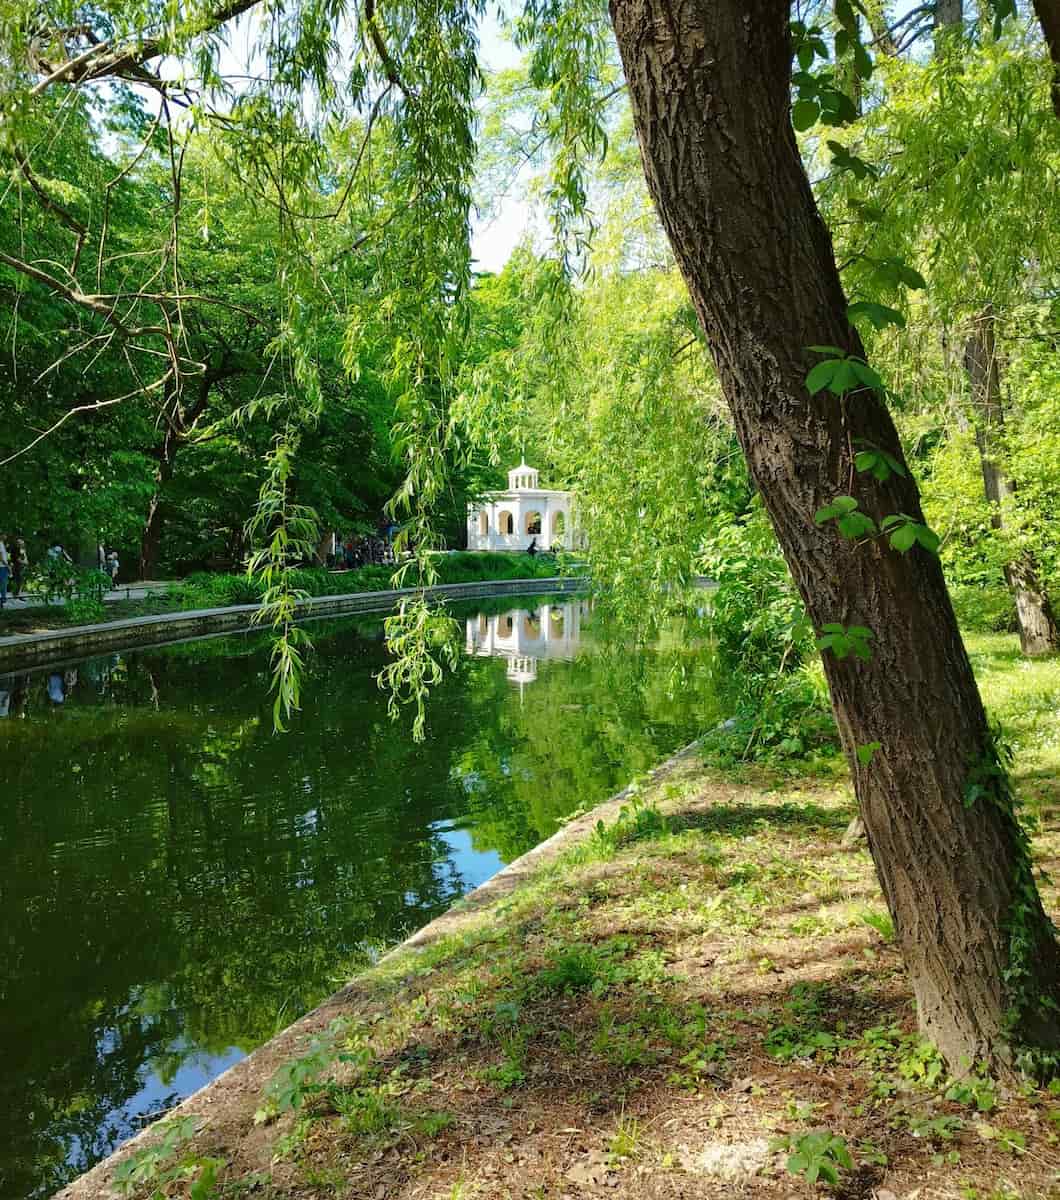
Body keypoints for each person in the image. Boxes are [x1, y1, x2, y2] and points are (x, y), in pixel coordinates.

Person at [0, 536, 9, 608]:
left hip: (3, 566)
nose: (5, 536)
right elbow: (1, 558)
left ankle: (2, 602)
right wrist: (8, 566)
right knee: (3, 584)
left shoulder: (2, 544)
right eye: (4, 534)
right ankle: (2, 601)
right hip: (2, 567)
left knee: (3, 584)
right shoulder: (0, 544)